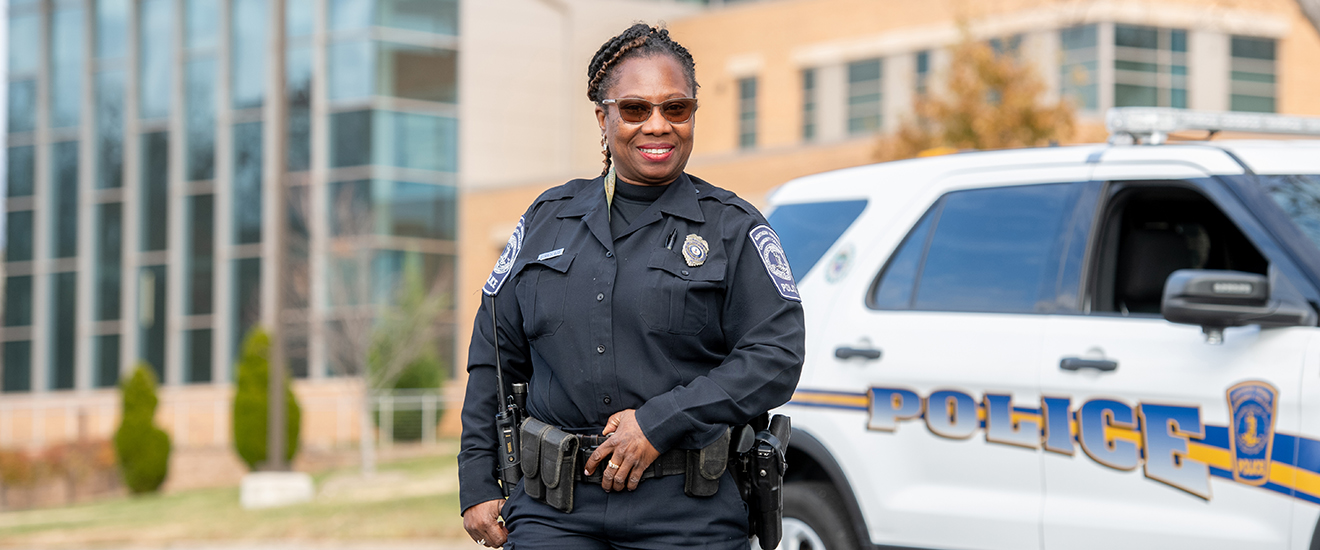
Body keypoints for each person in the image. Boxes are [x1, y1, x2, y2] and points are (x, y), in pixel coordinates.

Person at [458, 23, 805, 550]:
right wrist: (478, 478)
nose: (658, 126)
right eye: (636, 109)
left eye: (677, 108)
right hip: (554, 512)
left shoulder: (733, 228)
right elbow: (496, 355)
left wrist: (659, 422)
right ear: (604, 118)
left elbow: (776, 355)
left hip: (688, 514)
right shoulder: (547, 220)